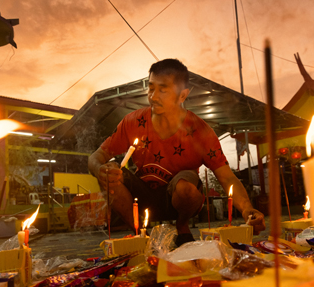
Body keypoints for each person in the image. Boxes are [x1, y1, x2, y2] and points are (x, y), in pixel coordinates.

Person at [88, 58, 266, 246]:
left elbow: (227, 177)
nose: (153, 96)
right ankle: (142, 234)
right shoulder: (133, 122)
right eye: (151, 88)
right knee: (110, 173)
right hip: (142, 198)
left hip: (180, 200)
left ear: (182, 96)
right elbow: (95, 157)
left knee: (185, 185)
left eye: (163, 90)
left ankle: (182, 226)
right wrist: (100, 169)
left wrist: (248, 209)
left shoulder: (200, 131)